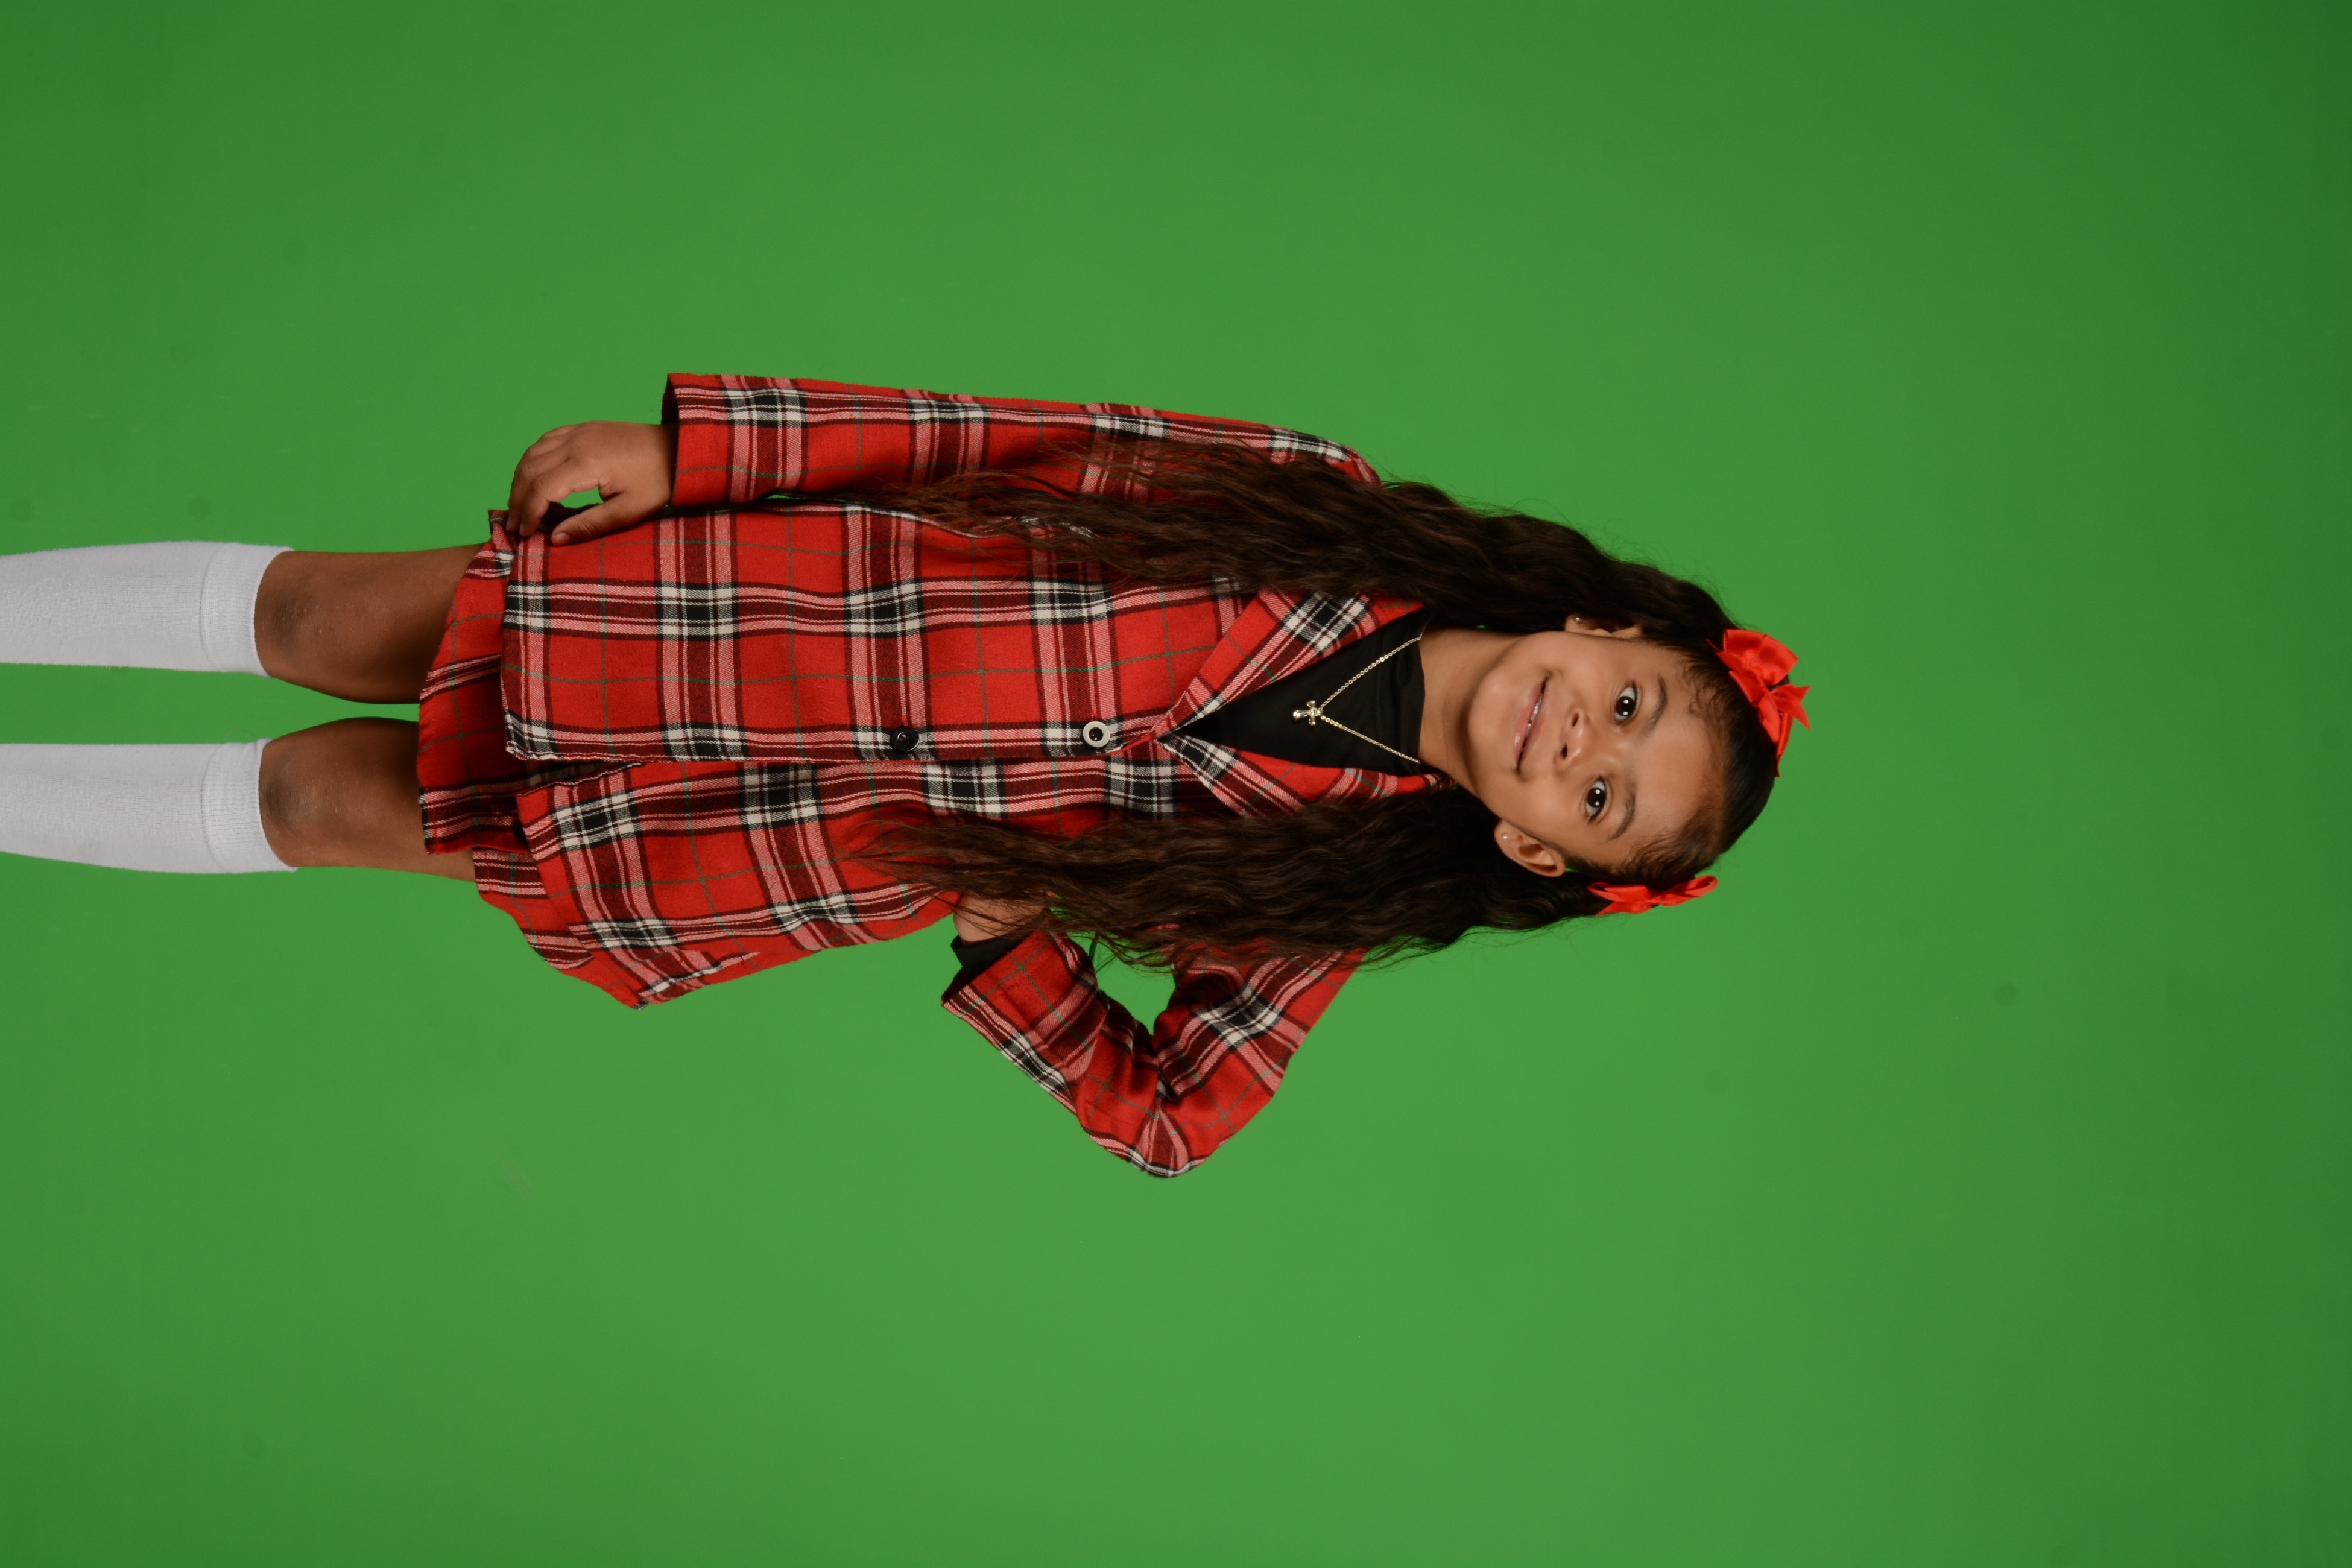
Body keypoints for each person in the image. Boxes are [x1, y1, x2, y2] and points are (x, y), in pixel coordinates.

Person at [0, 376, 1809, 1175]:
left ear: (1536, 852)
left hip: (762, 835)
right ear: (1602, 625)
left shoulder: (1322, 899)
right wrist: (705, 456)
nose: (1581, 744)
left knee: (321, 807)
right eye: (1628, 704)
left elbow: (1172, 1117)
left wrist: (1018, 941)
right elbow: (1011, 434)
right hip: (760, 603)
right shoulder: (1313, 498)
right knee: (322, 614)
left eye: (1600, 802)